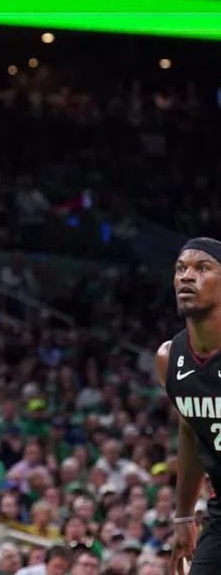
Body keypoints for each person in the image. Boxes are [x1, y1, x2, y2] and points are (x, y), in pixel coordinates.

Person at [156, 237, 221, 575]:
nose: (186, 276)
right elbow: (190, 430)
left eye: (202, 268)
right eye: (180, 269)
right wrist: (183, 516)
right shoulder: (169, 359)